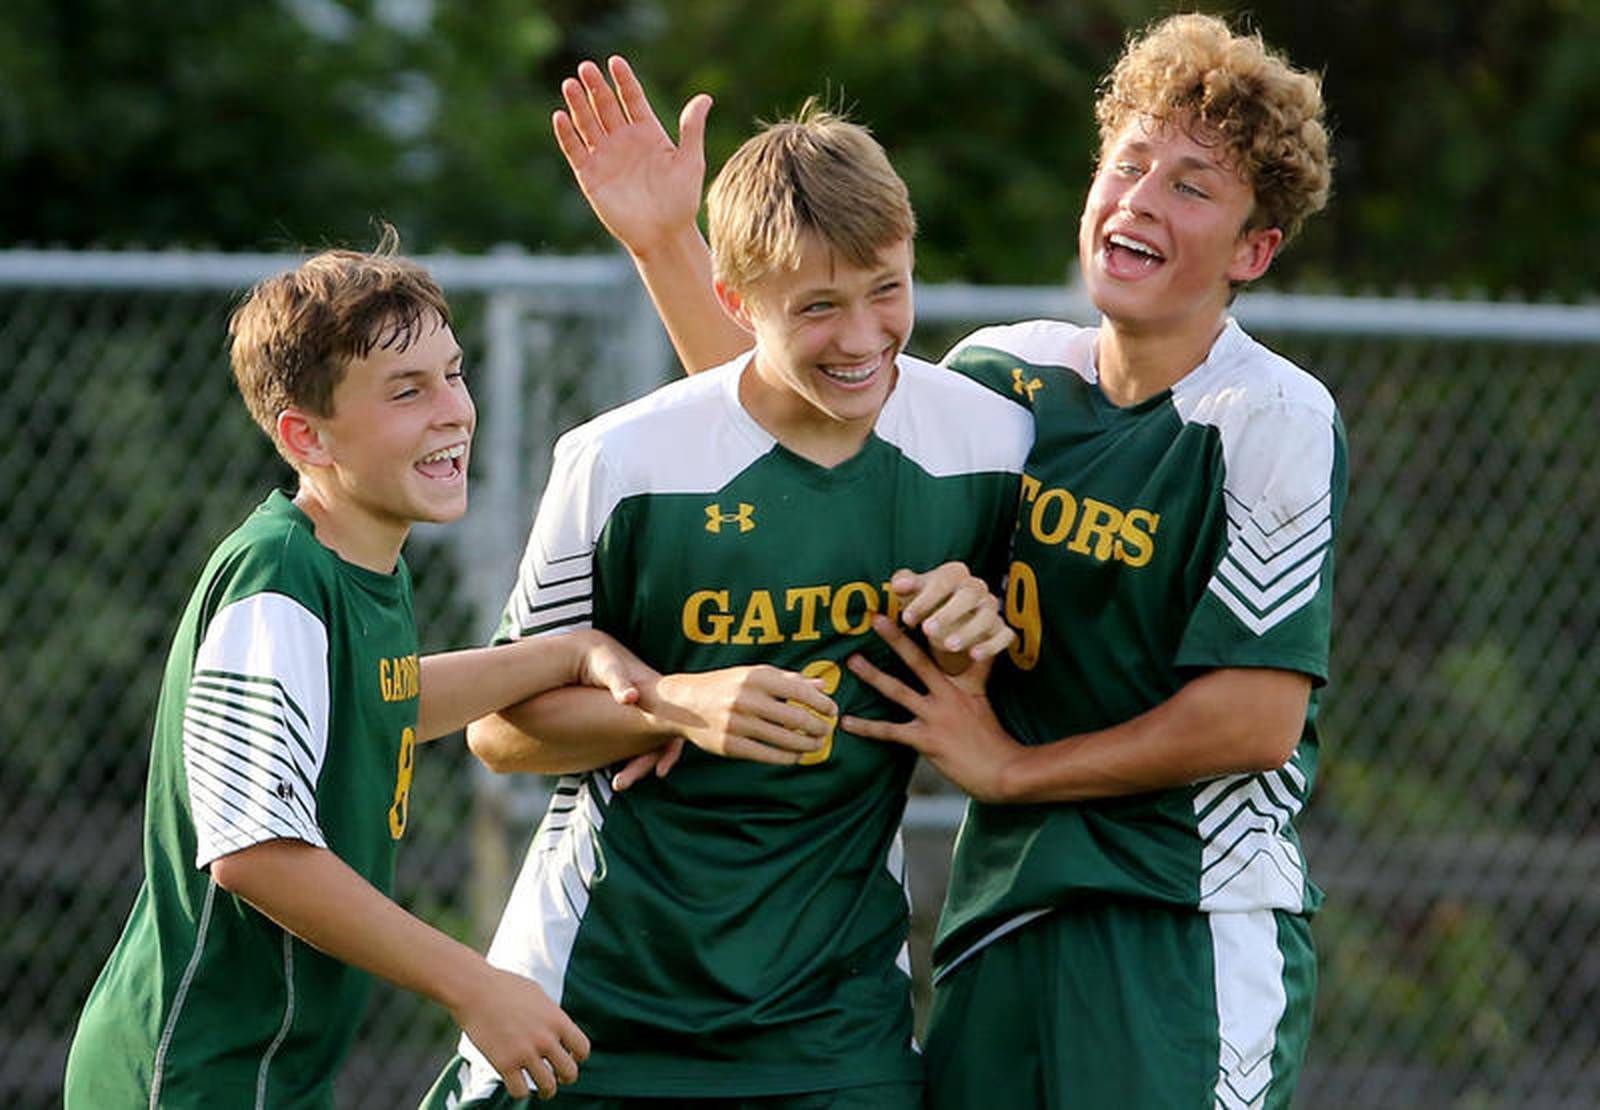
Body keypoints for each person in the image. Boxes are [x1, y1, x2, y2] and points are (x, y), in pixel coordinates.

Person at [550, 14, 1344, 1107]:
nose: (1142, 199)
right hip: (1002, 910)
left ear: (1253, 250)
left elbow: (1253, 720)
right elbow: (798, 422)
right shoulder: (1006, 381)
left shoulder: (1266, 416)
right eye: (1128, 163)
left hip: (1177, 918)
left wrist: (1010, 769)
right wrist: (663, 243)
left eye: (1194, 187)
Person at [420, 103, 1031, 1109]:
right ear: (734, 298)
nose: (864, 335)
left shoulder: (988, 445)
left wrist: (977, 645)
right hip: (594, 1002)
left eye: (888, 290)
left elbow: (1009, 706)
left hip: (834, 1024)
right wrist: (674, 702)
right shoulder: (622, 460)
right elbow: (499, 732)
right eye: (818, 308)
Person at [62, 233, 652, 1108]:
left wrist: (563, 653)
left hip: (271, 1069)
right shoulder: (279, 578)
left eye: (453, 374)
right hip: (190, 1074)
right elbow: (256, 853)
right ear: (306, 434)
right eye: (406, 391)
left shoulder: (361, 564)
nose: (453, 410)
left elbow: (384, 699)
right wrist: (474, 983)